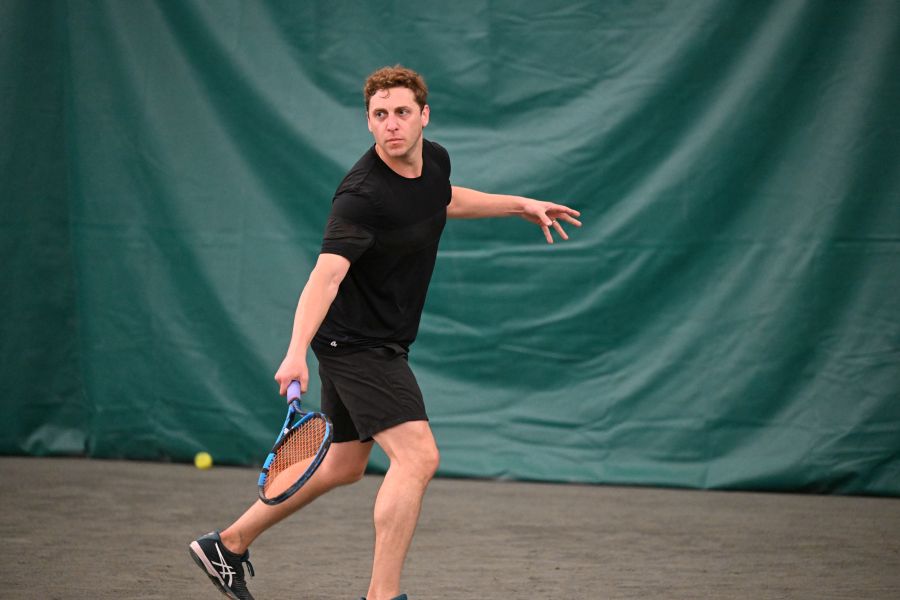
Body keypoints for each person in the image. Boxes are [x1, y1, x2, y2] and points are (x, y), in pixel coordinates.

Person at [189, 65, 581, 600]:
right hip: (356, 346)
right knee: (418, 457)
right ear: (368, 122)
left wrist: (519, 206)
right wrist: (295, 351)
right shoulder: (361, 196)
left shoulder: (434, 160)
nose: (391, 124)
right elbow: (325, 277)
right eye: (380, 115)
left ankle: (227, 545)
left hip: (381, 338)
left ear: (424, 116)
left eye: (401, 112)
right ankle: (382, 596)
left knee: (345, 465)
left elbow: (442, 199)